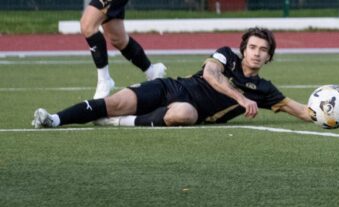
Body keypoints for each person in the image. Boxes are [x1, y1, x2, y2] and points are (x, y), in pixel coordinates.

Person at [32, 27, 315, 128]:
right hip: (172, 87)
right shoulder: (227, 55)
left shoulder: (264, 90)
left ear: (269, 57)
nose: (256, 53)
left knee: (184, 114)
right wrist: (240, 97)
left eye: (263, 50)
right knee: (114, 101)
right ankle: (53, 119)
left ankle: (121, 123)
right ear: (244, 49)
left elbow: (303, 111)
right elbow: (211, 75)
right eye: (252, 47)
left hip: (189, 109)